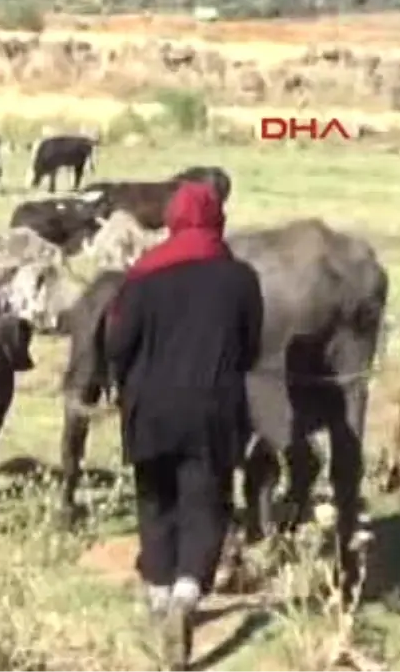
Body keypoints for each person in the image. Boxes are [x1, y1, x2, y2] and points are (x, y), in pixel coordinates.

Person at [103, 181, 263, 670]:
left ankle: (158, 595)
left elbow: (116, 345)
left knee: (155, 499)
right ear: (217, 219)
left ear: (172, 220)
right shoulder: (240, 279)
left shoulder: (143, 277)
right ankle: (187, 598)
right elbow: (252, 347)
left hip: (150, 409)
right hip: (213, 411)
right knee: (205, 501)